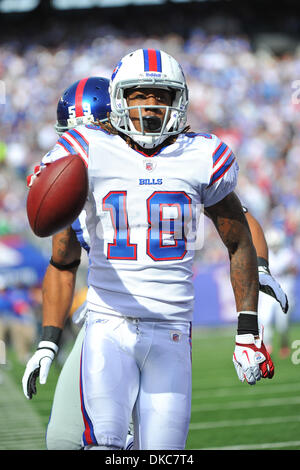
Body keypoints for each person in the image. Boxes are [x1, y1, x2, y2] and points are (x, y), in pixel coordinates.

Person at [22, 48, 276, 450]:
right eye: (139, 95)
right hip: (108, 323)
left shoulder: (202, 155)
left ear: (180, 100)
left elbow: (239, 232)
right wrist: (49, 340)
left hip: (173, 329)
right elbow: (60, 251)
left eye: (161, 95)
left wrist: (248, 322)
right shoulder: (86, 148)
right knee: (94, 443)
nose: (150, 106)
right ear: (119, 100)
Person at [258, 227, 297, 357]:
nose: (274, 247)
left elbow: (294, 270)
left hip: (285, 290)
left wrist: (286, 270)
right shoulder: (264, 254)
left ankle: (284, 343)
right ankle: (267, 345)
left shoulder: (288, 254)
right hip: (268, 292)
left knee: (283, 323)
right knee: (265, 319)